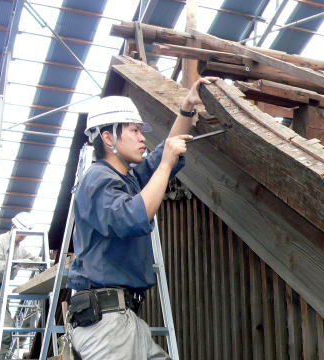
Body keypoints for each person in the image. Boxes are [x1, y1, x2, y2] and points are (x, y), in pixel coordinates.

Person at [66, 76, 217, 360]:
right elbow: (131, 217)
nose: (143, 138)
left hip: (123, 319)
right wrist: (167, 163)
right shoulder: (98, 178)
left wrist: (186, 109)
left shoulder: (127, 179)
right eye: (134, 130)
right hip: (107, 324)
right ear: (108, 137)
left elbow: (162, 158)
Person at [0, 212, 40, 358]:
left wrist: (57, 261)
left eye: (25, 234)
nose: (23, 236)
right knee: (5, 329)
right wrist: (15, 264)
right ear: (13, 226)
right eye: (21, 232)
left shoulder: (19, 249)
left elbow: (35, 259)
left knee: (6, 330)